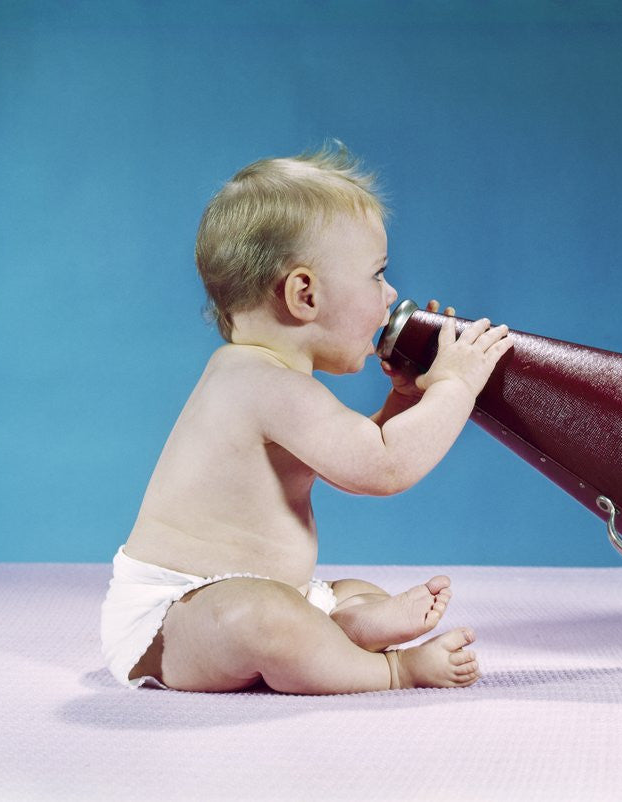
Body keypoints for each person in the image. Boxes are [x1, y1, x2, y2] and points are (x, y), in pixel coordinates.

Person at [100, 146, 513, 694]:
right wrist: (458, 384)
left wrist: (406, 401)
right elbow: (381, 466)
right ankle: (389, 669)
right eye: (377, 275)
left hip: (268, 592)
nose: (391, 296)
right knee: (264, 616)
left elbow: (353, 453)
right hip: (173, 619)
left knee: (351, 591)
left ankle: (340, 625)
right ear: (304, 294)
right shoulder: (259, 383)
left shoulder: (265, 379)